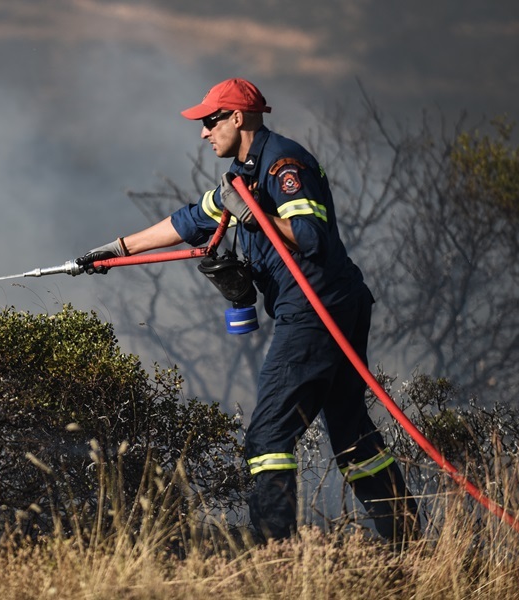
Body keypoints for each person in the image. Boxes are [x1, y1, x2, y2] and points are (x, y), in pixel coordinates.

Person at [76, 78, 419, 545]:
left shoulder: (283, 163)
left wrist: (255, 214)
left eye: (210, 120)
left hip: (315, 307)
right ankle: (409, 542)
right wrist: (114, 251)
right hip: (335, 305)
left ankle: (274, 552)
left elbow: (311, 236)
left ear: (239, 117)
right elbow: (190, 222)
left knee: (268, 437)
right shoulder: (242, 176)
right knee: (352, 434)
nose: (203, 132)